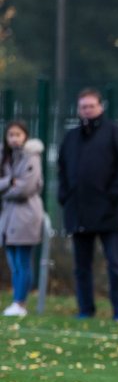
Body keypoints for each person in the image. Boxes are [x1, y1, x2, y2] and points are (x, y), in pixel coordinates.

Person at [57, 88, 118, 322]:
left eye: (91, 106)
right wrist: (66, 197)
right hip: (79, 212)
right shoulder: (71, 138)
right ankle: (85, 309)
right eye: (83, 107)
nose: (87, 110)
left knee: (114, 264)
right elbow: (62, 171)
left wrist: (113, 196)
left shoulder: (115, 134)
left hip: (109, 213)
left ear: (101, 106)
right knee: (81, 267)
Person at [0, 124, 45, 317]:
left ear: (25, 136)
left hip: (26, 217)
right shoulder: (5, 158)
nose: (14, 138)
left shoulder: (31, 157)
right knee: (13, 264)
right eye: (11, 134)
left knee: (23, 262)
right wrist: (10, 182)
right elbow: (13, 184)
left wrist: (7, 188)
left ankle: (20, 302)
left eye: (18, 134)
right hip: (7, 218)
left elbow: (26, 189)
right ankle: (16, 302)